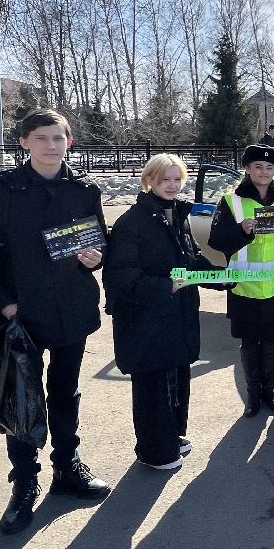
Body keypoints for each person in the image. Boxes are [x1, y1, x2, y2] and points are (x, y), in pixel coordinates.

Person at [0, 110, 111, 536]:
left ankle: (67, 466)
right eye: (42, 138)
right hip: (22, 317)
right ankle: (25, 481)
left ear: (69, 142)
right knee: (22, 399)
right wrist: (5, 307)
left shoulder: (85, 190)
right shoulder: (1, 196)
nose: (51, 145)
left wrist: (96, 258)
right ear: (24, 143)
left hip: (72, 311)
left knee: (66, 391)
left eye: (59, 137)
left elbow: (97, 242)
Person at [103, 154, 212, 471]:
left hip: (177, 318)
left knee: (176, 382)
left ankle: (171, 438)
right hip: (146, 322)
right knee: (153, 389)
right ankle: (155, 452)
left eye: (177, 179)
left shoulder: (180, 217)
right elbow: (121, 278)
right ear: (149, 180)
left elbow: (191, 263)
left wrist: (220, 275)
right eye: (165, 179)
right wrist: (168, 285)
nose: (172, 186)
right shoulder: (132, 222)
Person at [209, 144, 274, 415]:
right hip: (244, 285)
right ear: (247, 169)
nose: (264, 172)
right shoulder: (232, 200)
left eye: (269, 167)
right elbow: (216, 241)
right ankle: (253, 396)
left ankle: (270, 392)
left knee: (271, 341)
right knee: (250, 341)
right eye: (257, 167)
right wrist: (242, 232)